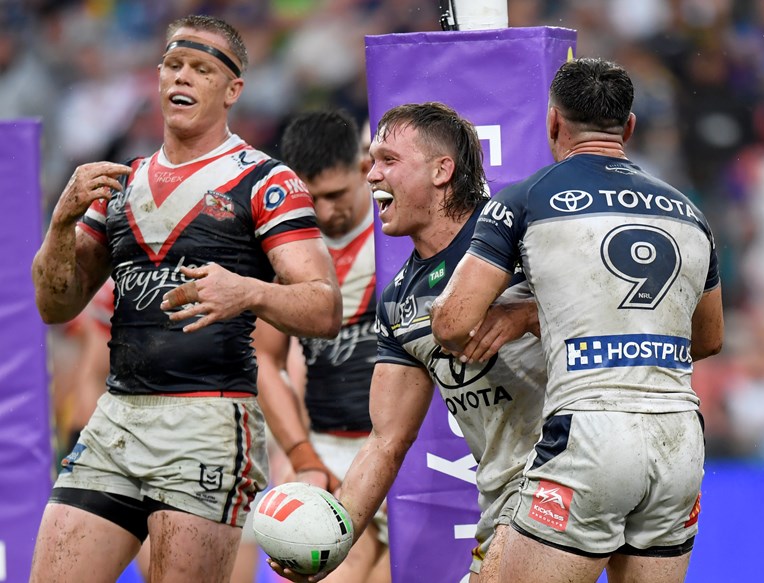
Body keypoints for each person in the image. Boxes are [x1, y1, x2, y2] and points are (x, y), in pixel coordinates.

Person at [29, 14, 341, 583]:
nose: (183, 77)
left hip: (208, 423)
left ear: (233, 90)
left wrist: (246, 290)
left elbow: (324, 308)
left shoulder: (267, 182)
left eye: (201, 68)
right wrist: (59, 224)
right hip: (116, 418)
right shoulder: (118, 184)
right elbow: (55, 306)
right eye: (173, 64)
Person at [430, 57, 725, 583]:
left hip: (588, 433)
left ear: (553, 122)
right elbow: (707, 338)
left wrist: (528, 312)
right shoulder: (689, 211)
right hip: (679, 439)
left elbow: (453, 323)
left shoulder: (525, 199)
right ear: (628, 126)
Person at [272, 102, 547, 583]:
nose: (371, 174)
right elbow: (386, 440)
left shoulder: (521, 236)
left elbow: (618, 313)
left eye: (388, 160)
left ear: (442, 171)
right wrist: (332, 541)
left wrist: (525, 315)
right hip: (508, 495)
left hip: (571, 468)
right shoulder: (399, 299)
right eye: (372, 160)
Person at [249, 109, 391, 583]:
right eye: (313, 199)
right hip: (330, 449)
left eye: (336, 195)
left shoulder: (397, 233)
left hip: (405, 453)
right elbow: (265, 360)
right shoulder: (285, 251)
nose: (327, 212)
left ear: (363, 168)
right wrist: (302, 457)